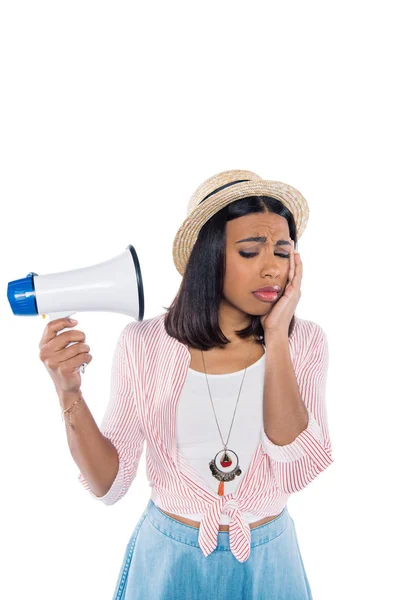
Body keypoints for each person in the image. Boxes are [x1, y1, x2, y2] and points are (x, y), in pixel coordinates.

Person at [40, 169, 334, 599]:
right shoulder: (144, 344)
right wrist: (68, 392)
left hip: (270, 561)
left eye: (283, 251)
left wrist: (276, 336)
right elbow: (108, 483)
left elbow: (295, 466)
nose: (272, 267)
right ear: (209, 256)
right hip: (168, 560)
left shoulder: (304, 342)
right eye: (251, 251)